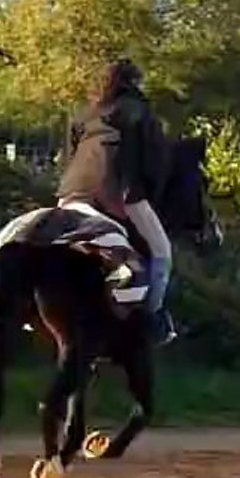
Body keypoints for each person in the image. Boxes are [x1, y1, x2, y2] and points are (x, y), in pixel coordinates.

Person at [58, 58, 177, 346]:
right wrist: (151, 192)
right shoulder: (139, 111)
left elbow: (68, 156)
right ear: (133, 82)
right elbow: (155, 162)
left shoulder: (83, 113)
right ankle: (153, 318)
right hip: (117, 194)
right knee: (162, 251)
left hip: (70, 193)